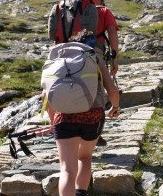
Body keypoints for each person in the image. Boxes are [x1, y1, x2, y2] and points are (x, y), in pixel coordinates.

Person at [45, 30, 120, 196]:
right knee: (84, 157)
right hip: (92, 116)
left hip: (63, 116)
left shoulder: (59, 59)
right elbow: (112, 91)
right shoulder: (95, 58)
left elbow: (47, 96)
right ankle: (80, 193)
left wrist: (53, 122)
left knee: (66, 170)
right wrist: (115, 107)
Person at [93, 0, 119, 76]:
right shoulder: (103, 10)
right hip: (95, 51)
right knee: (102, 82)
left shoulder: (71, 10)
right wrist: (114, 59)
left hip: (68, 52)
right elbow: (112, 32)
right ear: (101, 0)